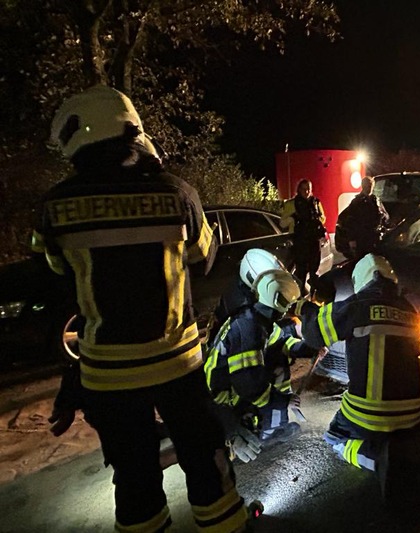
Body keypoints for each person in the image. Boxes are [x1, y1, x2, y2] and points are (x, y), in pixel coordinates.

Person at [34, 85, 249, 532]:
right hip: (177, 365)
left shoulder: (55, 207)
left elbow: (57, 274)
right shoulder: (178, 193)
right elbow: (204, 258)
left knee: (134, 475)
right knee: (204, 459)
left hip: (107, 375)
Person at [293, 253, 420, 499]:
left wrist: (305, 308)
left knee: (334, 436)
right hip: (416, 411)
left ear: (361, 280)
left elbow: (313, 334)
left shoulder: (357, 305)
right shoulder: (410, 310)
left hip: (371, 411)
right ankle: (403, 443)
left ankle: (376, 460)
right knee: (396, 426)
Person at [204, 269, 314, 463]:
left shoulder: (256, 319)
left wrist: (308, 348)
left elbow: (281, 342)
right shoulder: (248, 329)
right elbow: (248, 384)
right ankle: (261, 429)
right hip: (222, 395)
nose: (287, 310)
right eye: (286, 305)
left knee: (277, 360)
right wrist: (283, 401)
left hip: (231, 384)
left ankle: (272, 422)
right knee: (262, 384)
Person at [280, 179, 327, 295]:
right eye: (304, 189)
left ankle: (314, 297)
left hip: (314, 241)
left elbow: (323, 218)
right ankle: (299, 298)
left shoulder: (315, 202)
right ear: (299, 190)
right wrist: (293, 218)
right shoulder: (291, 204)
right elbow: (282, 223)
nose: (306, 192)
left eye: (309, 189)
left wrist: (317, 221)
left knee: (314, 271)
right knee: (301, 272)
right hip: (300, 241)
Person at [335, 176, 390, 260]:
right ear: (363, 186)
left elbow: (385, 217)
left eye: (371, 185)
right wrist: (352, 239)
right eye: (367, 185)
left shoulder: (376, 201)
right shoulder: (357, 202)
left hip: (374, 237)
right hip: (361, 238)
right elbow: (350, 222)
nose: (369, 188)